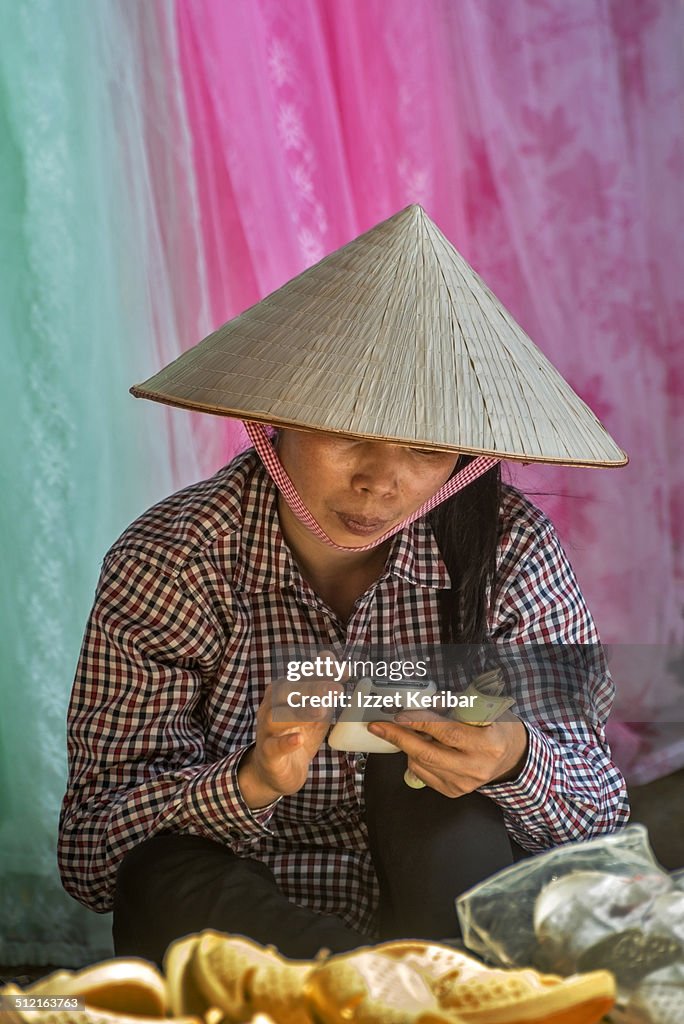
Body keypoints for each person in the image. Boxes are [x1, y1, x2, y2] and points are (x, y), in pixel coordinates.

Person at [58, 205, 630, 965]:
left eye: (424, 449)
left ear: (462, 461)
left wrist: (513, 756)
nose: (379, 481)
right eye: (345, 430)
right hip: (256, 927)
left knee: (430, 789)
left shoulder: (511, 551)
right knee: (164, 874)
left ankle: (409, 993)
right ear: (273, 421)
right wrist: (250, 782)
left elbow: (601, 812)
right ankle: (403, 1002)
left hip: (449, 911)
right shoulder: (174, 558)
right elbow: (94, 853)